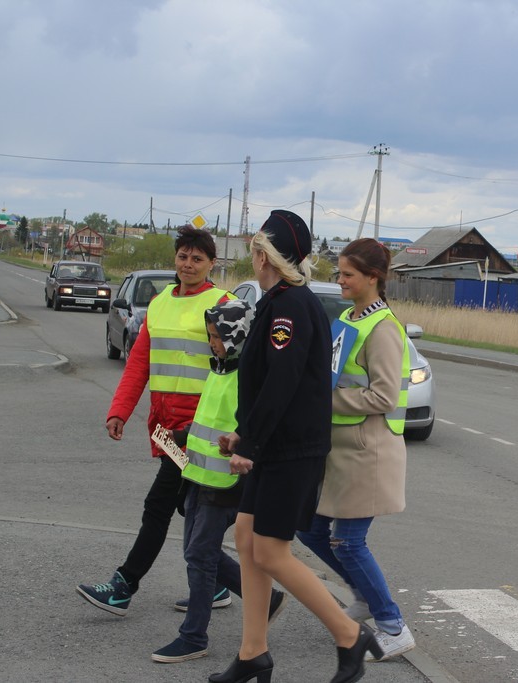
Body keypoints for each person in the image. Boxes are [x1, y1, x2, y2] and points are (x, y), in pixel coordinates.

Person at [210, 210, 381, 683]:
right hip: (274, 446)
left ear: (263, 256)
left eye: (254, 251)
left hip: (292, 451)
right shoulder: (278, 301)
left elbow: (281, 383)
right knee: (246, 539)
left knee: (271, 552)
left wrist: (250, 444)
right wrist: (245, 435)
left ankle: (349, 634)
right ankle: (253, 653)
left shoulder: (290, 307)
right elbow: (266, 383)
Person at [75, 226, 248, 617]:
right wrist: (119, 410)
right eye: (183, 256)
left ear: (212, 263)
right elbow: (139, 363)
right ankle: (224, 586)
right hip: (166, 427)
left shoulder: (224, 304)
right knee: (189, 507)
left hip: (199, 429)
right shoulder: (159, 303)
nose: (188, 265)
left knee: (159, 505)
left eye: (197, 259)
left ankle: (123, 585)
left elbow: (241, 369)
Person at [295, 238, 416, 662]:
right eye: (340, 273)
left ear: (372, 277)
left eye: (347, 274)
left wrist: (322, 401)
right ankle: (364, 596)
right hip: (340, 450)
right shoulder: (350, 316)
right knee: (310, 530)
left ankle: (393, 626)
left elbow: (384, 396)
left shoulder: (383, 328)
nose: (340, 280)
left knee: (348, 542)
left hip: (368, 451)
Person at [152, 298, 287, 664]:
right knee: (196, 551)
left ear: (237, 337)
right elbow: (209, 421)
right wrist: (181, 435)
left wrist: (239, 448)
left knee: (199, 554)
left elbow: (254, 428)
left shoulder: (247, 377)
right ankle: (265, 599)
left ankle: (193, 636)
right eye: (210, 336)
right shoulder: (221, 368)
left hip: (225, 483)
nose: (211, 343)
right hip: (199, 475)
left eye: (216, 336)